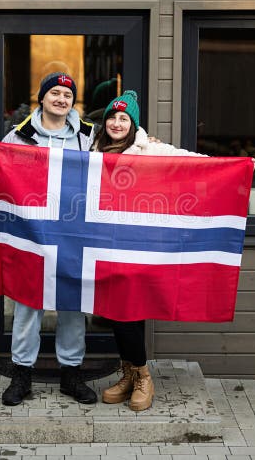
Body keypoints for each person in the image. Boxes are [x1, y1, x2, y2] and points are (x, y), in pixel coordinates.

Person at [0, 72, 98, 406]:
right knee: (28, 303)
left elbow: (113, 168)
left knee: (73, 304)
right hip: (32, 232)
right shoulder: (18, 137)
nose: (61, 99)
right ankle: (22, 375)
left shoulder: (88, 136)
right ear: (42, 98)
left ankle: (71, 374)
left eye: (67, 95)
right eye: (55, 93)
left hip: (74, 233)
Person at [91, 90, 212, 412]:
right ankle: (129, 373)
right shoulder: (92, 149)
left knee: (129, 309)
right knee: (115, 311)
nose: (117, 123)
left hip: (139, 245)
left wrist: (235, 166)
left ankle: (144, 376)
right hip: (104, 244)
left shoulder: (150, 149)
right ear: (104, 122)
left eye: (123, 118)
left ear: (133, 124)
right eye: (112, 117)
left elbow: (189, 162)